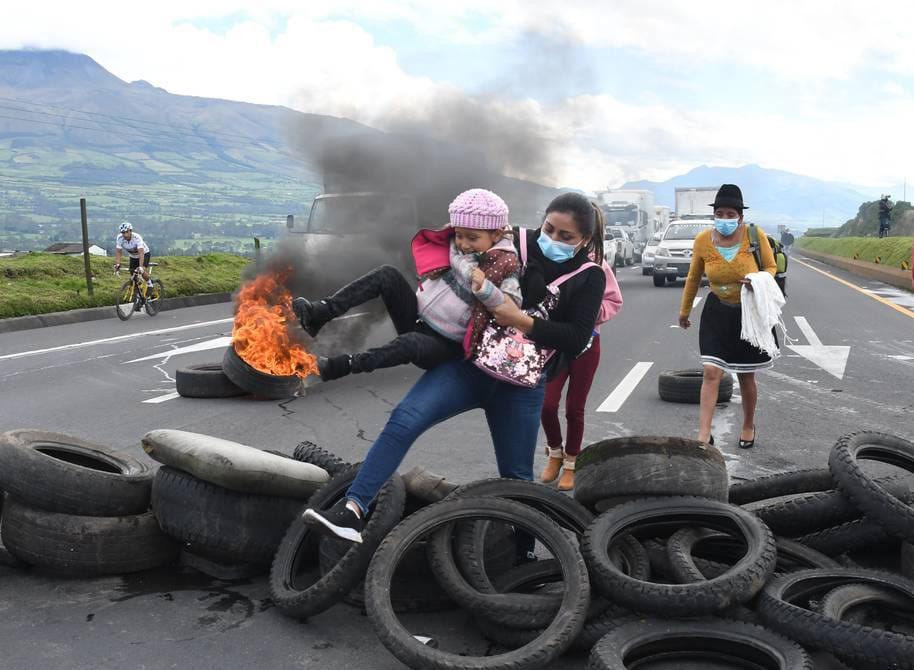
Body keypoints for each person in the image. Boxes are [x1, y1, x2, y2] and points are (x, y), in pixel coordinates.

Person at [301, 192, 606, 544]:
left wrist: (521, 320)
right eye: (548, 228)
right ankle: (353, 510)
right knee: (404, 419)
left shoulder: (590, 276)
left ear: (584, 240)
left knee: (517, 478)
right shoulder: (515, 240)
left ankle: (523, 561)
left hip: (520, 385)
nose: (551, 240)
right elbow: (464, 237)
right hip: (467, 366)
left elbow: (576, 338)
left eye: (565, 237)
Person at [292, 188, 521, 381]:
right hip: (417, 317)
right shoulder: (454, 248)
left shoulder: (505, 265)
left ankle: (339, 366)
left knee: (409, 343)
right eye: (459, 235)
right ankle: (319, 313)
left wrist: (486, 289)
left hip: (445, 345)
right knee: (387, 274)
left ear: (497, 233)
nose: (463, 244)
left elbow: (512, 306)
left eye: (472, 238)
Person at [677, 184, 777, 450]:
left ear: (740, 216)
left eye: (730, 213)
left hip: (748, 315)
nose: (724, 219)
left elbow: (771, 267)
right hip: (717, 311)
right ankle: (703, 433)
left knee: (746, 376)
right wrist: (685, 311)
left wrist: (756, 280)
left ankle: (748, 424)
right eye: (719, 213)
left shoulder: (756, 237)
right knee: (711, 371)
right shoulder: (702, 241)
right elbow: (693, 277)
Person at [540, 238, 622, 491]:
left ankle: (571, 464)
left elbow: (614, 301)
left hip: (587, 344)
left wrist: (586, 311)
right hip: (555, 343)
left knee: (575, 408)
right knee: (546, 403)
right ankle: (555, 452)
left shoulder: (597, 264)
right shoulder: (548, 259)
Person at [113, 222, 152, 290]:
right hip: (133, 256)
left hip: (144, 254)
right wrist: (118, 264)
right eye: (123, 232)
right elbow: (118, 252)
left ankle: (150, 284)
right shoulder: (119, 238)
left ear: (130, 231)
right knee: (133, 273)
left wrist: (140, 266)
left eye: (126, 232)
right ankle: (138, 289)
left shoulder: (137, 237)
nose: (125, 234)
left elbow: (141, 253)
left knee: (141, 271)